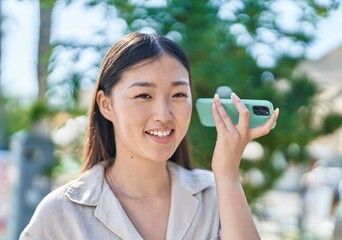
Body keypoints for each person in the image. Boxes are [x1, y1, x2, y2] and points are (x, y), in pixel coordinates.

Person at [20, 32, 279, 240]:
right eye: (144, 95)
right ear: (106, 104)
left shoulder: (215, 194)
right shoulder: (62, 213)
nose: (164, 114)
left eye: (179, 95)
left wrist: (228, 174)